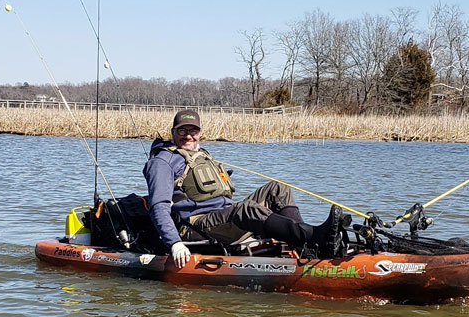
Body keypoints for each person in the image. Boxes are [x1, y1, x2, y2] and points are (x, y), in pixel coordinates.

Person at [143, 109, 344, 267]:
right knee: (246, 210)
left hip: (222, 216)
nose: (188, 136)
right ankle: (315, 237)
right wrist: (175, 243)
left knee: (278, 188)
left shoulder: (202, 155)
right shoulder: (163, 162)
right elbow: (158, 206)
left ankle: (303, 244)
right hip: (196, 225)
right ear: (173, 132)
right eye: (182, 131)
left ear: (200, 133)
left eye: (193, 131)